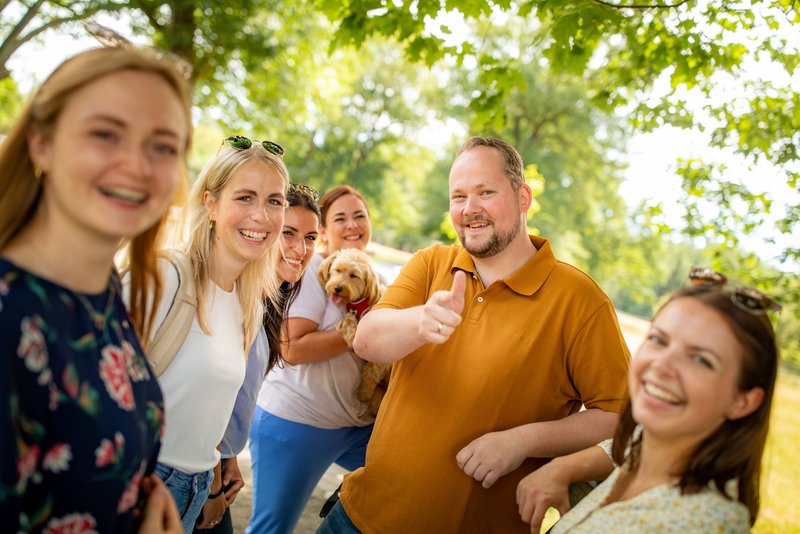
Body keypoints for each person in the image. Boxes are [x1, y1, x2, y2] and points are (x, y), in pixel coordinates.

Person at [319, 136, 631, 533]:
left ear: (523, 197)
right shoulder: (432, 262)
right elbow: (367, 338)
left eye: (486, 192)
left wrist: (524, 441)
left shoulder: (580, 300)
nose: (470, 209)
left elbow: (620, 416)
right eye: (459, 196)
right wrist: (420, 321)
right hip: (358, 519)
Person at [0, 46, 192, 533]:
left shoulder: (101, 290)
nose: (137, 165)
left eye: (163, 146)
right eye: (105, 134)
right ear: (41, 143)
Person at [516, 267, 779, 533]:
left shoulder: (699, 523)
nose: (661, 365)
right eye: (658, 340)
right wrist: (562, 467)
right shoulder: (654, 447)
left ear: (743, 401)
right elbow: (624, 446)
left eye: (700, 359)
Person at [142, 136, 289, 532]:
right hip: (141, 483)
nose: (261, 215)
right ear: (210, 203)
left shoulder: (250, 304)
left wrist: (209, 482)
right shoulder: (165, 277)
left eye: (274, 200)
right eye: (245, 197)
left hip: (196, 490)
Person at [248, 185, 376, 534]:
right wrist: (361, 332)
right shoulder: (314, 270)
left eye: (359, 215)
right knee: (271, 528)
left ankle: (346, 500)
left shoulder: (374, 280)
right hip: (298, 421)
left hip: (354, 424)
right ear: (324, 231)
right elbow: (292, 347)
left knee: (403, 476)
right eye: (340, 218)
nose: (352, 225)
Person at [194, 183, 321, 534]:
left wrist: (231, 456)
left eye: (311, 237)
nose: (301, 249)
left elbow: (236, 397)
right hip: (196, 472)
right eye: (289, 233)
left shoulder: (267, 302)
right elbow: (208, 398)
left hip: (217, 465)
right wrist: (214, 483)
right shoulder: (233, 299)